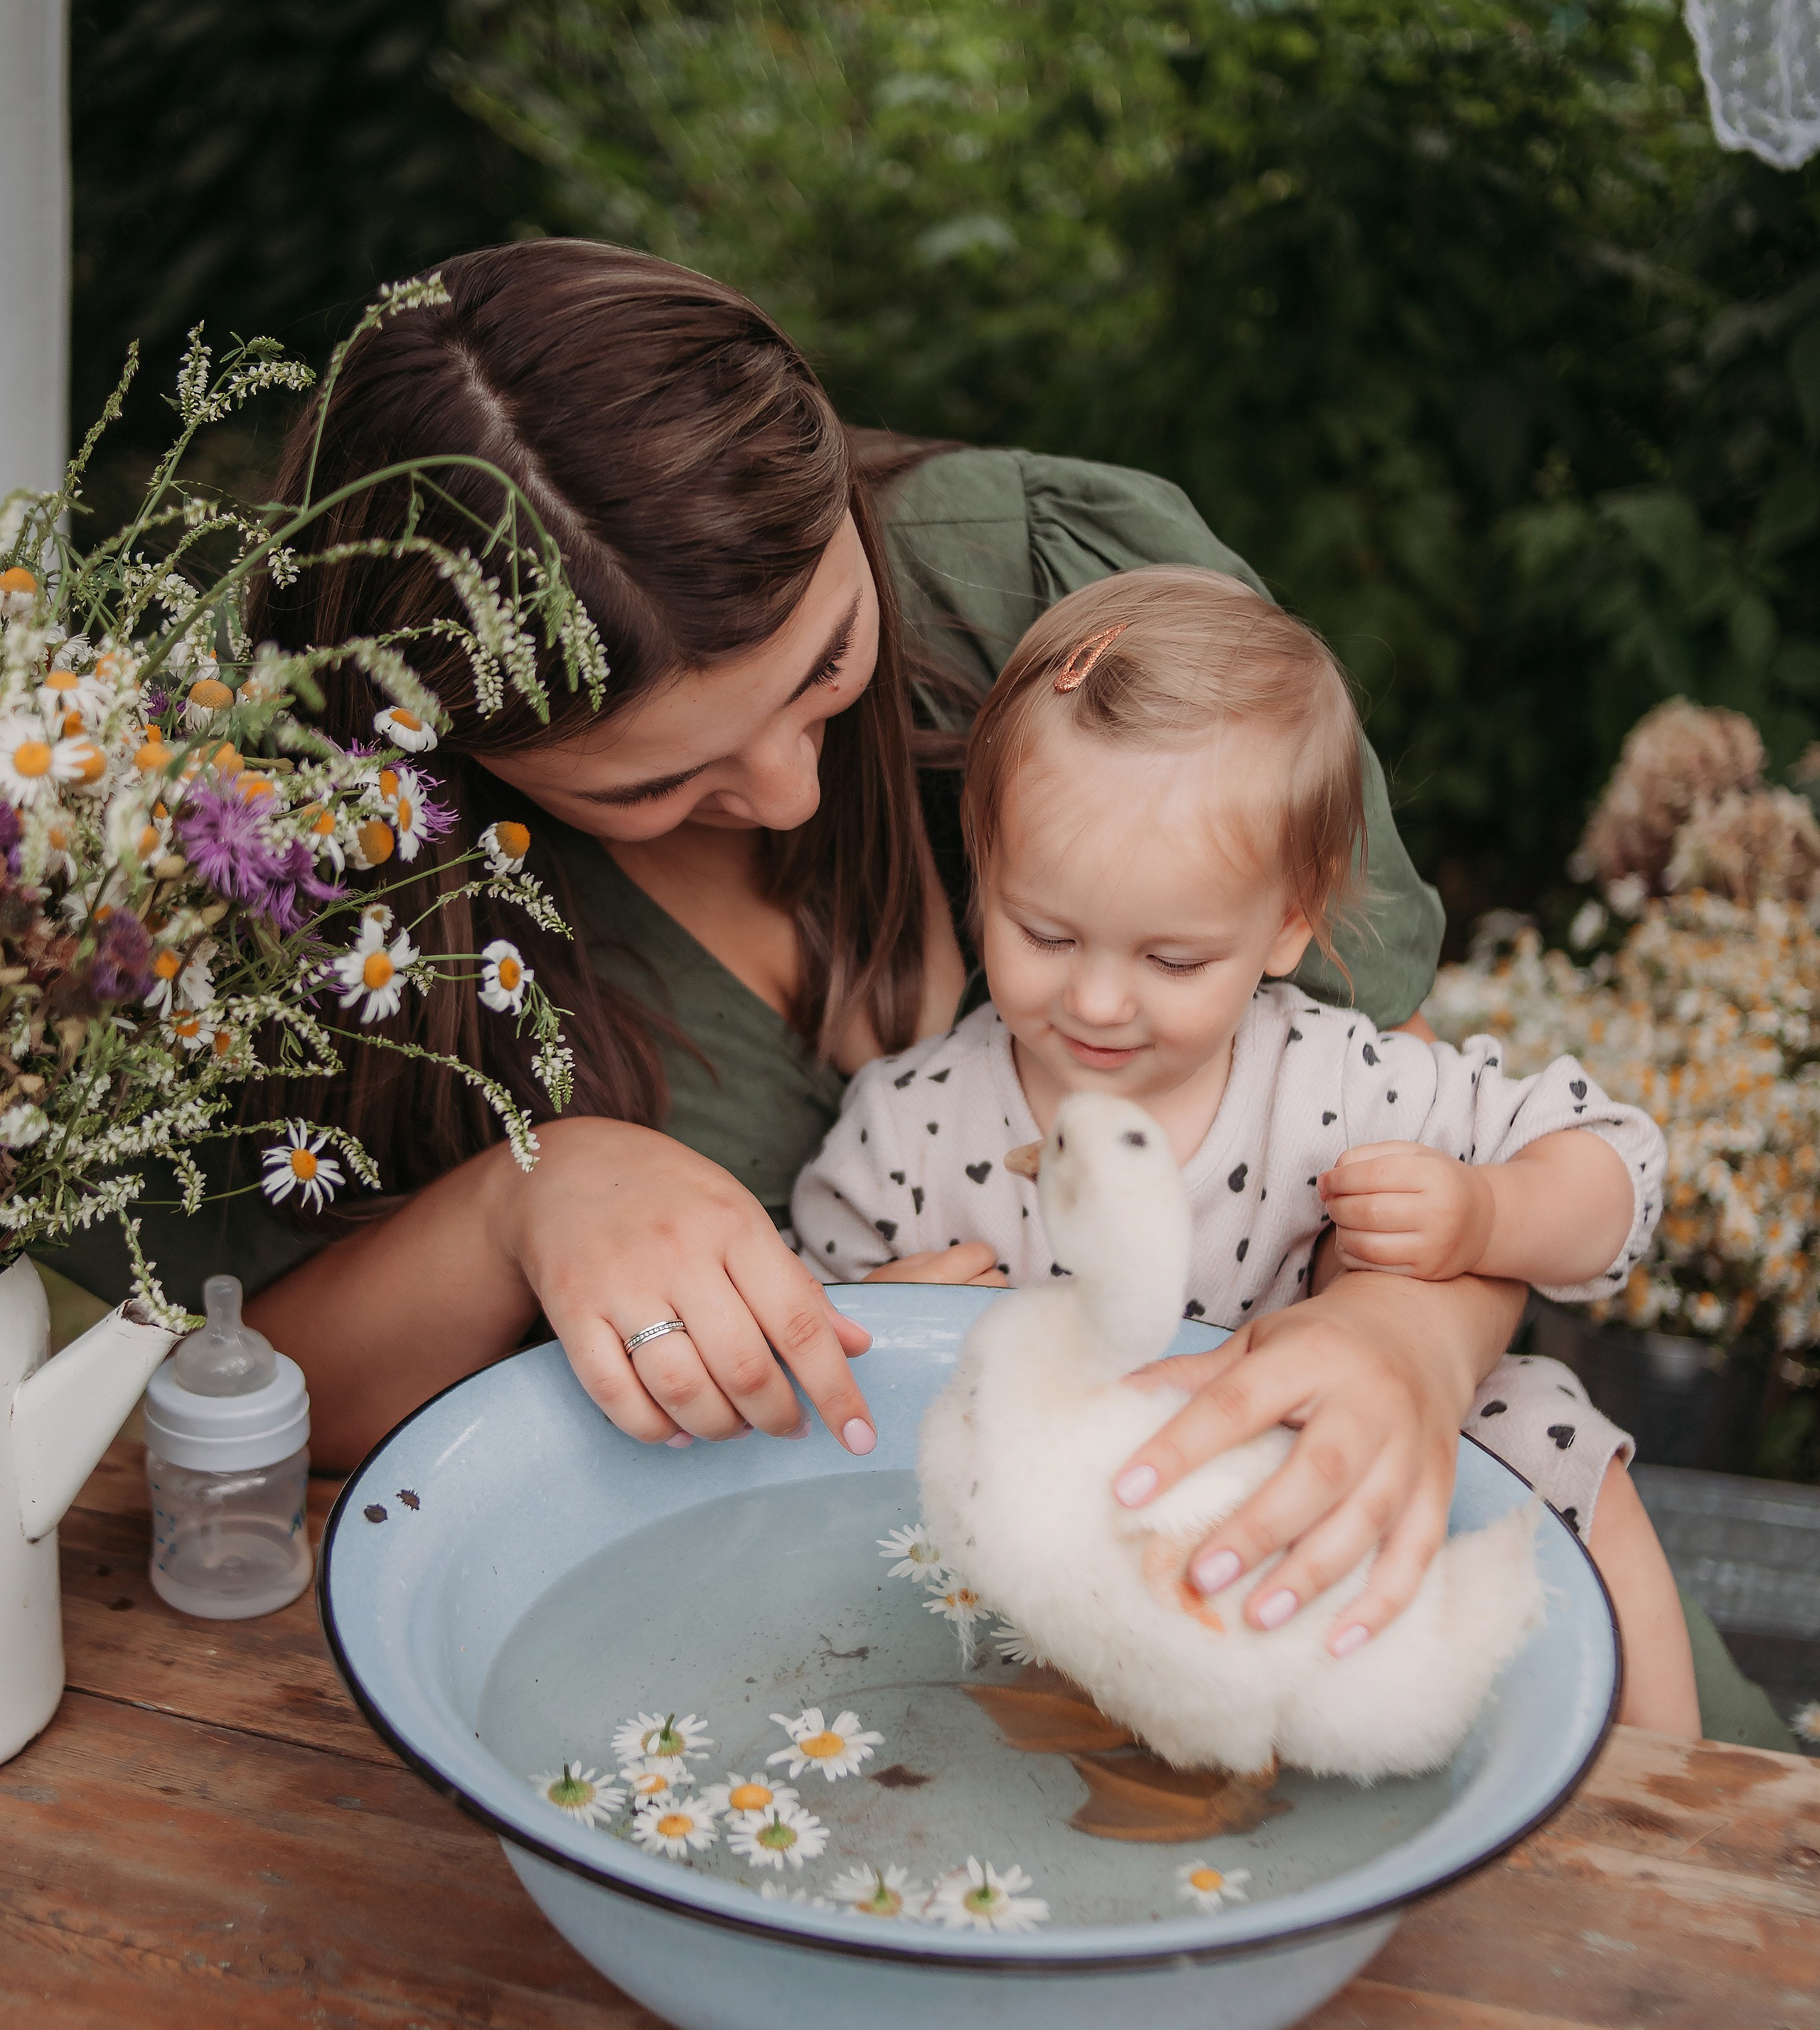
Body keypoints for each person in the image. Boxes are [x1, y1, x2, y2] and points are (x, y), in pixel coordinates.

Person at [42, 242, 1786, 1741]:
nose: (788, 793)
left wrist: (1404, 1342)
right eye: (654, 785)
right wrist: (530, 1193)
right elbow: (246, 1397)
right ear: (443, 752)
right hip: (865, 1668)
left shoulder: (1060, 595)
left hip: (1380, 1548)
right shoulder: (297, 868)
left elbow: (1388, 1121)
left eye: (824, 666)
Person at [793, 570, 1698, 1732]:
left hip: (1317, 1500)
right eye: (1046, 933)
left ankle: (1669, 1790)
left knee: (1543, 1431)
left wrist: (1487, 1213)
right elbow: (799, 1361)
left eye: (1173, 960)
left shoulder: (1334, 1084)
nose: (1100, 1000)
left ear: (1287, 923)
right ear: (984, 860)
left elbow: (1617, 1165)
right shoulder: (909, 1127)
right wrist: (884, 1321)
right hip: (1060, 1555)